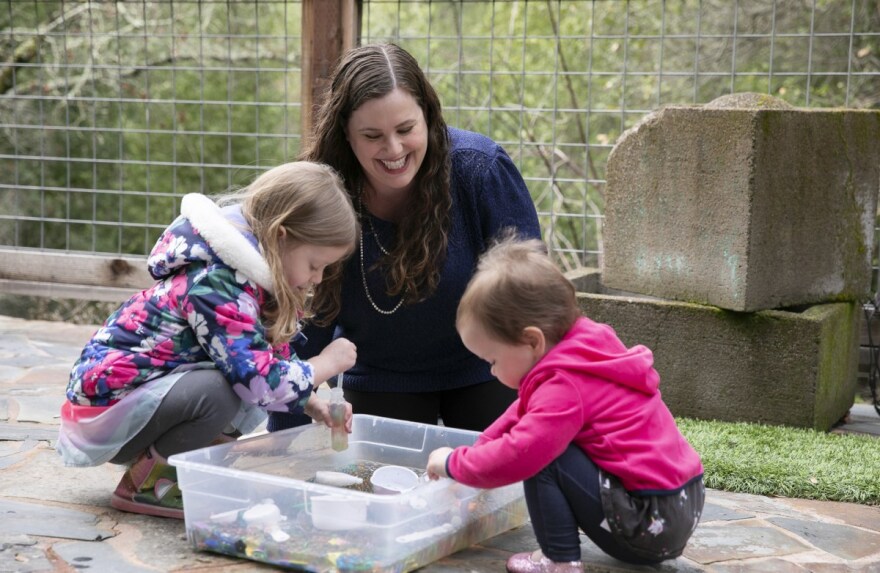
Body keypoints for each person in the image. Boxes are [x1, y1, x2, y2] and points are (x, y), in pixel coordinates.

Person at [56, 161, 359, 519]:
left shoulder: (249, 282)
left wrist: (310, 403)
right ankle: (151, 487)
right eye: (314, 264)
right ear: (282, 235)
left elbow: (265, 363)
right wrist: (326, 363)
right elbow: (259, 381)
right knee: (226, 390)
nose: (318, 278)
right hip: (105, 417)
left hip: (137, 407)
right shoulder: (217, 282)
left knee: (249, 386)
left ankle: (191, 471)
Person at [267, 43, 541, 434]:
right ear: (346, 133)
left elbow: (531, 296)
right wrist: (281, 440)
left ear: (428, 116)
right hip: (380, 375)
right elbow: (308, 319)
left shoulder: (480, 170)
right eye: (373, 135)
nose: (393, 149)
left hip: (488, 367)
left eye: (406, 129)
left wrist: (548, 395)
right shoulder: (321, 191)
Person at [425, 235, 705, 573]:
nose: (492, 370)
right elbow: (521, 414)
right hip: (681, 502)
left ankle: (559, 561)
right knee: (547, 438)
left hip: (648, 523)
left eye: (492, 359)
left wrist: (455, 463)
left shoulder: (564, 386)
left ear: (532, 340)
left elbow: (521, 451)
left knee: (542, 455)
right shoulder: (584, 350)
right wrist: (478, 449)